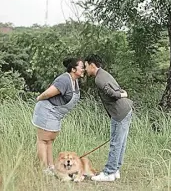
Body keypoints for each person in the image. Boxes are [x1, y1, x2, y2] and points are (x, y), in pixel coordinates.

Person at [84, 54, 134, 182]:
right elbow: (117, 87)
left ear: (92, 65)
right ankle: (116, 169)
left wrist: (122, 95)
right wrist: (123, 93)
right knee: (121, 142)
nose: (85, 69)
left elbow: (113, 94)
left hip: (119, 112)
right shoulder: (105, 74)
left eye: (86, 66)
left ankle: (109, 173)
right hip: (126, 110)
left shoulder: (98, 79)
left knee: (116, 143)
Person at [32, 57, 85, 175]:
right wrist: (39, 98)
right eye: (82, 67)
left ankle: (51, 166)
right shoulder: (64, 80)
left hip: (56, 114)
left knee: (50, 140)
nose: (83, 69)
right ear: (73, 69)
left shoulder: (74, 80)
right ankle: (43, 168)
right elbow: (49, 92)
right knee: (42, 140)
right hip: (47, 111)